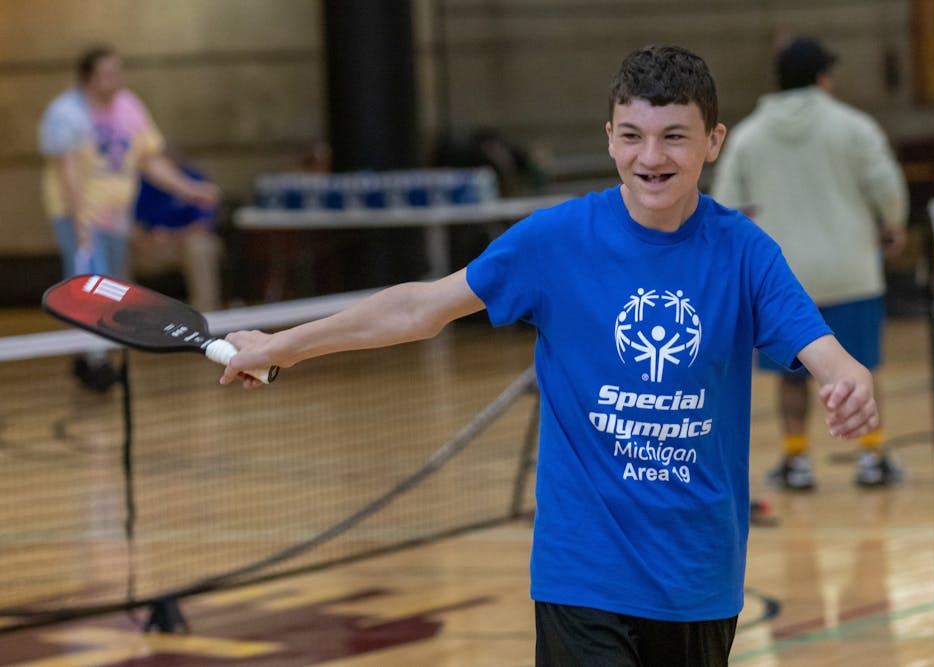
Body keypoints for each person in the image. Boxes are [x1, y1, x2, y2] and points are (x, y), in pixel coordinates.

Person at [219, 46, 879, 666]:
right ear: (610, 137)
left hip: (698, 578)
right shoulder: (555, 241)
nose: (651, 156)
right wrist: (283, 346)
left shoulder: (745, 252)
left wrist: (849, 379)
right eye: (632, 135)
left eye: (675, 136)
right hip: (583, 574)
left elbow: (822, 349)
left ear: (713, 141)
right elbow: (418, 308)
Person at [711, 36, 909, 490]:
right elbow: (886, 185)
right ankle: (872, 455)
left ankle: (797, 459)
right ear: (822, 78)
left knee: (790, 377)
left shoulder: (747, 137)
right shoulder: (854, 127)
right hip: (851, 271)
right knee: (859, 368)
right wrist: (893, 225)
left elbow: (725, 205)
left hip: (779, 281)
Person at [38, 44, 219, 391]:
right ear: (88, 78)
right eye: (106, 74)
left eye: (117, 72)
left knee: (112, 289)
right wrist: (79, 223)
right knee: (88, 285)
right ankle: (93, 362)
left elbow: (149, 160)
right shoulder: (66, 113)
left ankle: (90, 358)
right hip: (81, 217)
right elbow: (67, 172)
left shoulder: (129, 107)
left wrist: (188, 188)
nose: (115, 79)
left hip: (116, 219)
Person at [131, 157, 224, 313]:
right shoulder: (143, 182)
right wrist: (150, 237)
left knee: (199, 246)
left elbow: (204, 223)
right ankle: (125, 313)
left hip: (183, 244)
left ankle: (206, 312)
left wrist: (173, 235)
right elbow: (134, 223)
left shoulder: (194, 178)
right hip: (152, 247)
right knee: (122, 244)